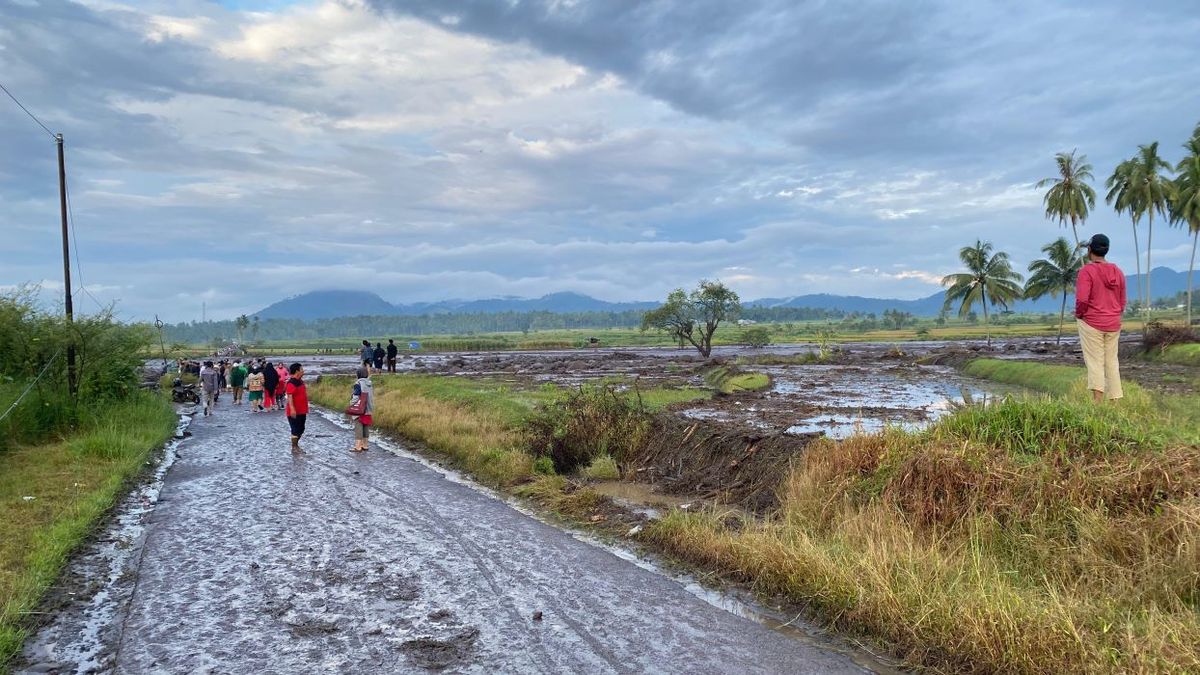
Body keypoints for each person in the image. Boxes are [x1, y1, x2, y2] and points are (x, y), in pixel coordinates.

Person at [1075, 233, 1127, 402]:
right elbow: (1122, 300)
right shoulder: (1117, 271)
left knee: (1095, 361)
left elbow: (1082, 299)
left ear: (1090, 250)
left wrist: (1079, 314)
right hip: (1113, 323)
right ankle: (1115, 400)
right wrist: (1114, 315)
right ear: (1106, 250)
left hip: (1092, 322)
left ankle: (1097, 401)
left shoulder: (1086, 271)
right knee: (1112, 361)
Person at [349, 366, 374, 452]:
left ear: (358, 375)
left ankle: (358, 446)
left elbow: (356, 397)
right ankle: (365, 445)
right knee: (366, 426)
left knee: (358, 427)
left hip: (359, 409)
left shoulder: (358, 384)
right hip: (368, 408)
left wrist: (351, 405)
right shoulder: (370, 383)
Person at [285, 363, 308, 452]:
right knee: (295, 429)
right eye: (302, 369)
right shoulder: (291, 383)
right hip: (294, 410)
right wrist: (292, 409)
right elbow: (289, 396)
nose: (303, 370)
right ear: (297, 371)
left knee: (301, 428)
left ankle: (296, 445)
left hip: (302, 409)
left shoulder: (300, 381)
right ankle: (294, 447)